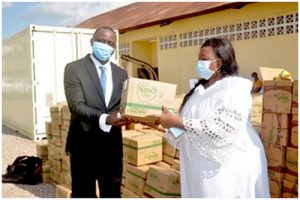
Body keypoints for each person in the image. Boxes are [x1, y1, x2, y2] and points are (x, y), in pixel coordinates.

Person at [149, 38, 270, 198]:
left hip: (226, 173)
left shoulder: (234, 89)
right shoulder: (198, 92)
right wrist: (163, 124)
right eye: (199, 59)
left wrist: (175, 121)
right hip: (198, 172)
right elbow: (187, 129)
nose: (199, 63)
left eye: (204, 59)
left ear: (220, 62)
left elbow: (221, 128)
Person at [64, 26, 131, 198]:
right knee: (84, 193)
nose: (105, 45)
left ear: (114, 47)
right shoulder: (74, 69)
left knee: (112, 193)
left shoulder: (121, 74)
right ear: (92, 42)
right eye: (101, 41)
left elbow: (123, 106)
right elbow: (76, 106)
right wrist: (106, 118)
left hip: (112, 147)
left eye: (110, 43)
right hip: (83, 146)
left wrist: (131, 116)